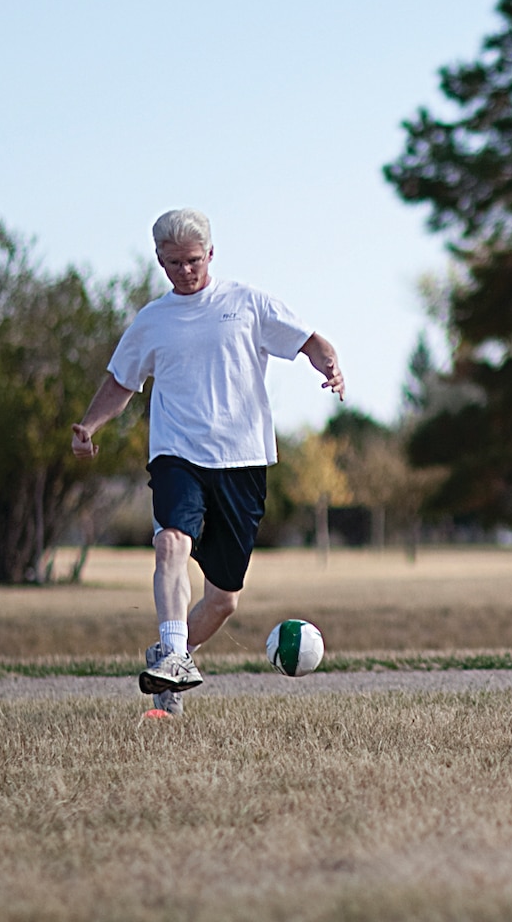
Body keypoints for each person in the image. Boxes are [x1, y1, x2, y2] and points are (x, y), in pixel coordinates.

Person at [71, 208, 344, 719]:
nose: (184, 271)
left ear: (211, 254)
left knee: (223, 600)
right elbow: (121, 382)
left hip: (242, 462)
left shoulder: (247, 304)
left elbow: (306, 338)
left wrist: (328, 365)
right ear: (159, 260)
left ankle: (174, 663)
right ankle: (174, 652)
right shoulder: (152, 320)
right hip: (178, 456)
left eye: (193, 260)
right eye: (172, 263)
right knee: (170, 540)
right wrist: (89, 426)